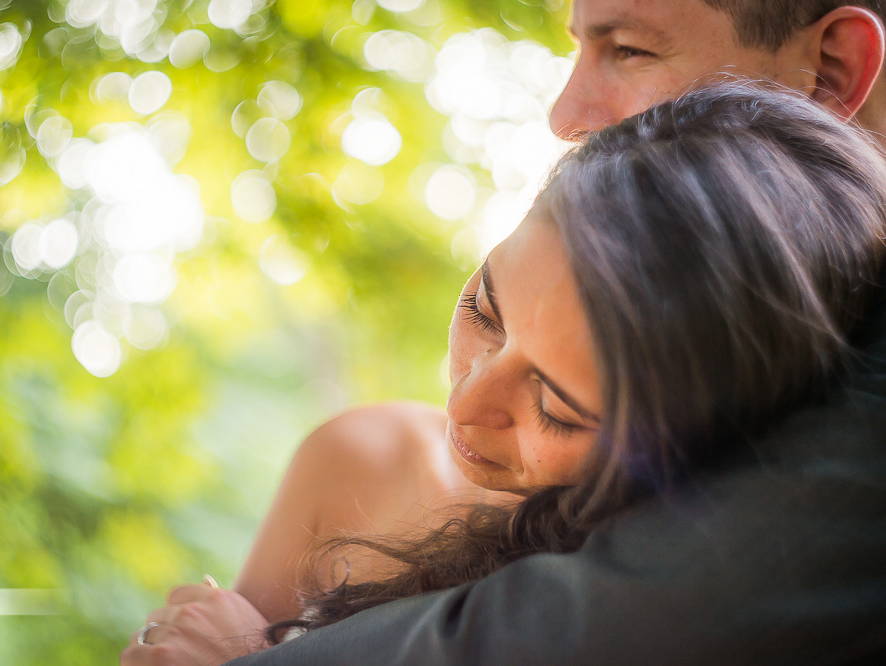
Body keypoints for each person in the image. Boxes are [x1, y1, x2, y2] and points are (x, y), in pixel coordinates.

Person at [120, 0, 886, 661]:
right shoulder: (361, 457)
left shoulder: (743, 553)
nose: (465, 404)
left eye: (631, 49)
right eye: (485, 308)